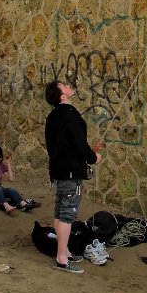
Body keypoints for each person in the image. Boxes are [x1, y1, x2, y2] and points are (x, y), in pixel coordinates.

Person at [45, 80, 101, 274]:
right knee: (67, 214)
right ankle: (61, 258)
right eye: (64, 86)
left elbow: (63, 144)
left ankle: (65, 251)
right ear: (63, 96)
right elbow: (79, 143)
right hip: (69, 172)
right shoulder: (69, 115)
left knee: (60, 211)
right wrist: (93, 157)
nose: (69, 86)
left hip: (58, 170)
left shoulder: (53, 116)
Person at [0, 140, 40, 214]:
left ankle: (23, 204)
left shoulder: (1, 166)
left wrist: (8, 164)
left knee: (11, 190)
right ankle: (5, 206)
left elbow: (11, 179)